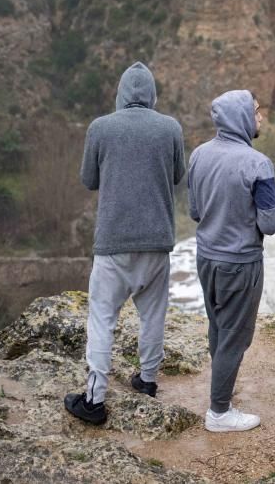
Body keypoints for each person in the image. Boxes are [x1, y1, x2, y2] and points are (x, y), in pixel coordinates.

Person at [64, 62, 186, 425]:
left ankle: (94, 401)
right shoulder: (171, 128)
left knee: (102, 319)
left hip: (113, 244)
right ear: (151, 95)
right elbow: (178, 175)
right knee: (153, 317)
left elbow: (88, 179)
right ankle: (147, 381)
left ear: (119, 94)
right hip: (157, 242)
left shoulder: (100, 127)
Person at [187, 90, 275, 431]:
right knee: (234, 336)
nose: (260, 118)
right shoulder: (258, 164)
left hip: (206, 257)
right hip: (241, 262)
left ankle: (221, 394)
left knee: (218, 326)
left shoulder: (198, 155)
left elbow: (195, 211)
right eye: (255, 112)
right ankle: (219, 412)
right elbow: (269, 223)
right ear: (241, 117)